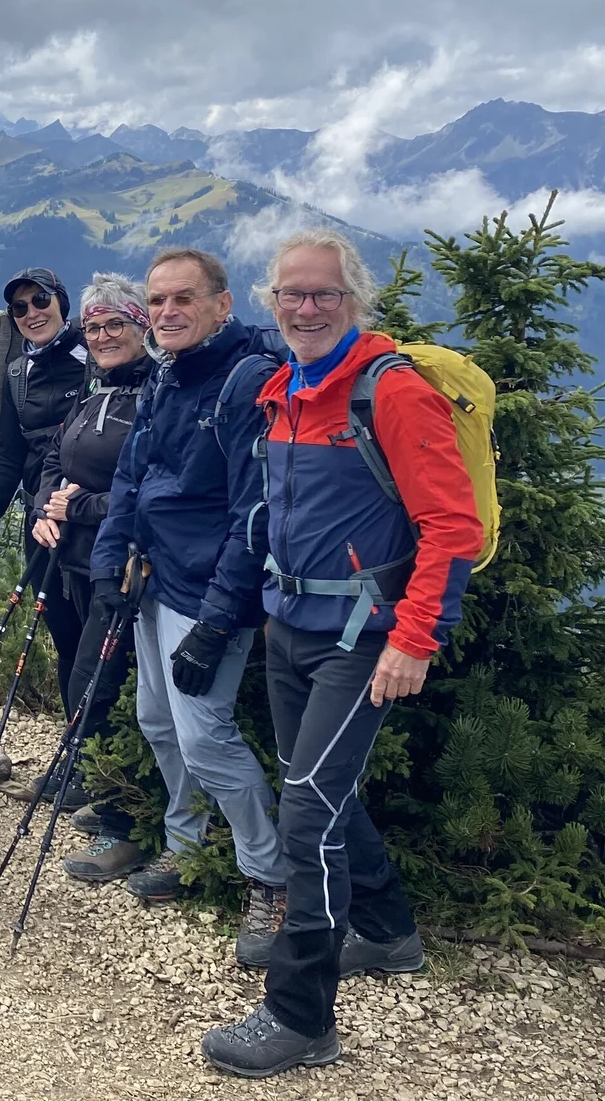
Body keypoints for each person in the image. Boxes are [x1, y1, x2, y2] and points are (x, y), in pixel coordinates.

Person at [202, 231, 482, 1078]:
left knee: (306, 818)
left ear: (353, 302)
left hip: (361, 642)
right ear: (273, 301)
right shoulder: (285, 388)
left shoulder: (388, 391)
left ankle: (300, 1017)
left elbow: (452, 525)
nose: (307, 307)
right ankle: (389, 933)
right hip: (290, 627)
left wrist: (414, 638)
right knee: (317, 790)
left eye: (324, 294)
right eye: (292, 293)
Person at [73, 246, 289, 970]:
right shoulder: (169, 378)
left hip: (209, 594)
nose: (168, 313)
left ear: (222, 305)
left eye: (184, 300)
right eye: (159, 301)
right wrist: (110, 565)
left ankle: (270, 878)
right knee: (156, 720)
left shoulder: (244, 383)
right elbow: (133, 476)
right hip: (155, 582)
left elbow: (252, 515)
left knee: (204, 736)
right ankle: (185, 849)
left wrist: (220, 621)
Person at [27, 273, 152, 818]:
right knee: (79, 664)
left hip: (122, 557)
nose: (102, 336)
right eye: (94, 327)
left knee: (101, 673)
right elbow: (54, 455)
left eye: (115, 324)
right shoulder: (93, 386)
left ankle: (107, 782)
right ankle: (82, 763)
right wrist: (43, 506)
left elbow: (147, 488)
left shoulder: (156, 390)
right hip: (70, 553)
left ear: (141, 325)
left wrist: (76, 507)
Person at [0, 268, 90, 764]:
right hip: (38, 524)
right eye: (19, 308)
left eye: (40, 300)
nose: (31, 313)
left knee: (98, 639)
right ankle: (77, 755)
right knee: (65, 637)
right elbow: (9, 455)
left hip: (91, 518)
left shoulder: (95, 360)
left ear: (62, 302)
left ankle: (110, 762)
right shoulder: (18, 375)